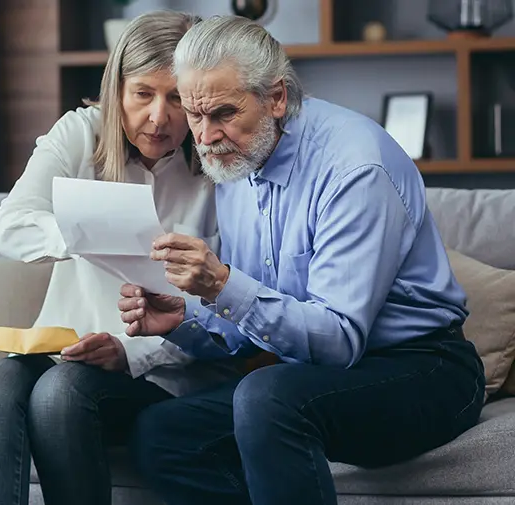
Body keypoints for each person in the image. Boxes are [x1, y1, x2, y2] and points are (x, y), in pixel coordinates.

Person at [117, 15, 486, 505]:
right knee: (163, 432)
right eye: (196, 115)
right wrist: (184, 317)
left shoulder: (355, 168)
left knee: (266, 397)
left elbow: (338, 342)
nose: (204, 137)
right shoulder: (237, 161)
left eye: (224, 113)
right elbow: (250, 320)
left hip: (424, 368)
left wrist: (224, 285)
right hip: (306, 375)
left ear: (277, 98)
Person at [0, 11, 262, 505]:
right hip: (64, 351)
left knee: (61, 393)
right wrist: (89, 229)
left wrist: (130, 352)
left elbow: (232, 303)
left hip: (167, 375)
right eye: (142, 93)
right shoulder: (80, 134)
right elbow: (9, 228)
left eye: (177, 99)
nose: (158, 117)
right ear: (116, 90)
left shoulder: (220, 167)